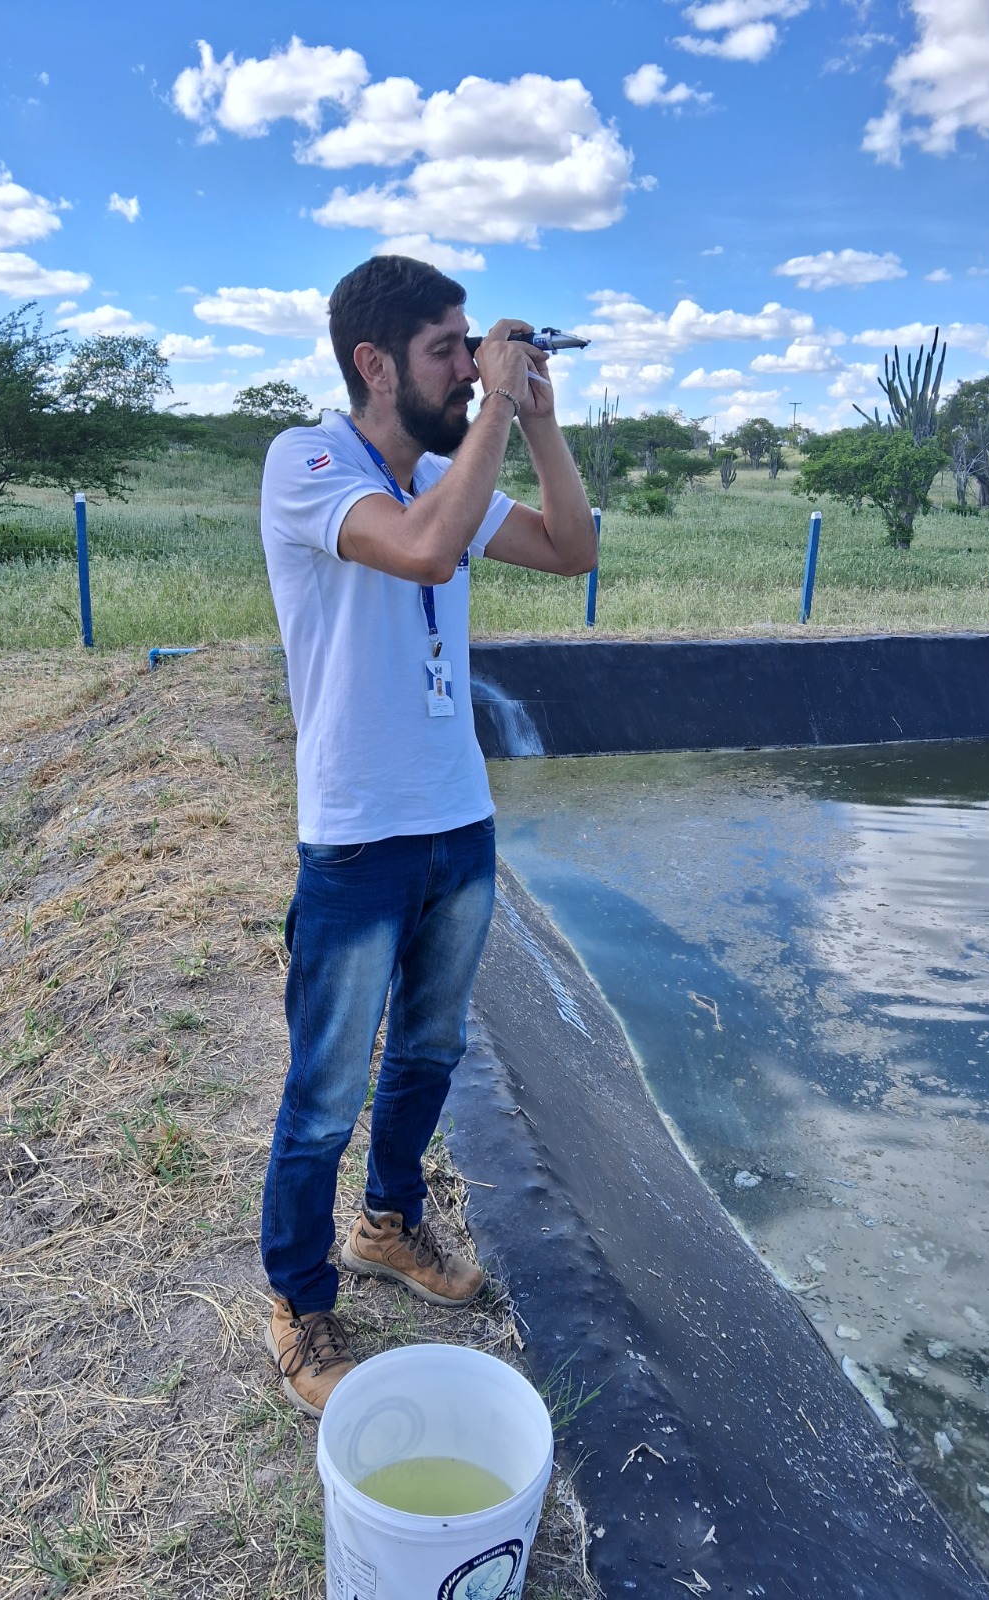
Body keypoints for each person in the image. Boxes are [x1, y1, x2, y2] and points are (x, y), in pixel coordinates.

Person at [257, 254, 597, 1417]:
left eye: (471, 344)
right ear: (374, 362)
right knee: (323, 1091)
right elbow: (419, 549)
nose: (466, 366)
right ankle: (298, 1301)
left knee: (430, 1051)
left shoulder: (452, 471)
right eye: (446, 349)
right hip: (358, 839)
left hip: (460, 822)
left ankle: (388, 1222)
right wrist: (495, 402)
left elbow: (571, 548)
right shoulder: (307, 464)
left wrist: (535, 416)